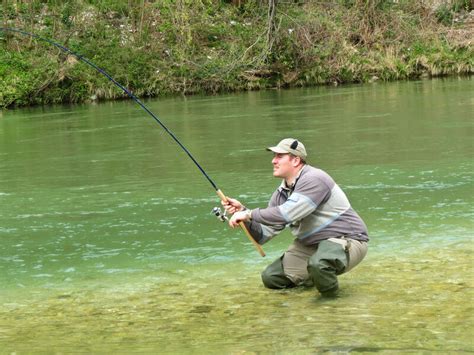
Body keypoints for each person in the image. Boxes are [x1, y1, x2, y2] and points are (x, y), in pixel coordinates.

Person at [222, 138, 369, 297]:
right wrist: (244, 214)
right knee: (271, 278)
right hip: (312, 244)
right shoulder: (281, 193)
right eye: (274, 156)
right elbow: (262, 235)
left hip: (347, 239)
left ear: (296, 160)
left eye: (279, 156)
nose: (273, 161)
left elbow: (287, 213)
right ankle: (316, 279)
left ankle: (332, 302)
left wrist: (248, 213)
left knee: (319, 264)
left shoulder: (314, 179)